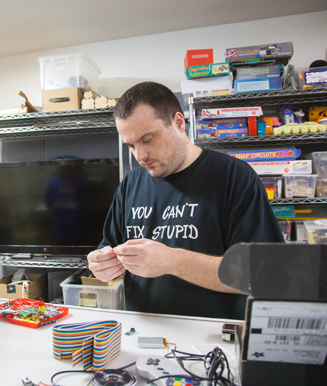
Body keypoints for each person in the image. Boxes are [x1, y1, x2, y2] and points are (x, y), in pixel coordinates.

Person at [87, 82, 284, 320]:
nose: (140, 156)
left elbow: (262, 273)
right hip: (141, 335)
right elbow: (108, 248)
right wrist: (102, 267)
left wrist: (173, 261)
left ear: (179, 123)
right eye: (131, 145)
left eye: (147, 139)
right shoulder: (131, 184)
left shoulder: (233, 177)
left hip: (211, 340)